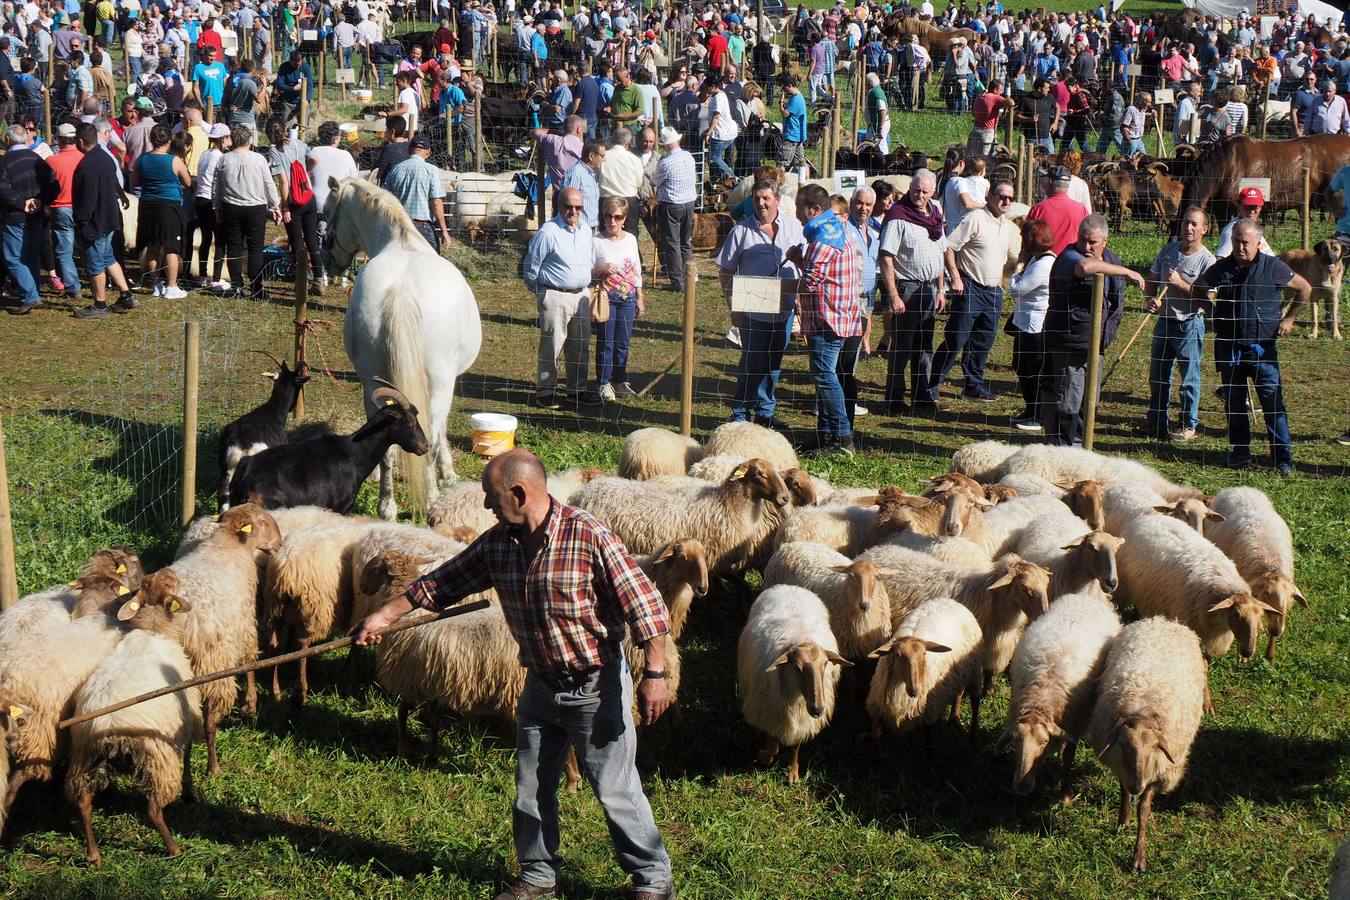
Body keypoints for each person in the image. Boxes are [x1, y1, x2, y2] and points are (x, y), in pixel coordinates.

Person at [353, 447, 675, 900]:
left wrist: (655, 674)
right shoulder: (498, 542)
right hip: (540, 684)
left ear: (519, 493)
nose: (486, 505)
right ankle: (539, 874)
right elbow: (441, 583)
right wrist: (385, 616)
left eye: (490, 495)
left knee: (614, 789)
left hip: (594, 685)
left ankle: (653, 880)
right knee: (531, 786)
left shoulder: (589, 536)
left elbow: (646, 606)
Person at [1190, 219, 1310, 474]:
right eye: (1236, 241)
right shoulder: (1221, 268)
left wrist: (1289, 318)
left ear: (1258, 242)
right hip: (1229, 347)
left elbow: (1304, 288)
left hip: (1262, 350)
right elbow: (1198, 288)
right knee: (1234, 404)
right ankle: (1240, 452)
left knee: (1272, 402)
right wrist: (1210, 309)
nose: (1240, 246)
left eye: (1245, 242)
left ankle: (1282, 458)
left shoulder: (1273, 267)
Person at [1040, 214, 1145, 445]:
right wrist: (1127, 271)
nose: (1086, 246)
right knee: (1068, 400)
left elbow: (1115, 301)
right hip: (1070, 345)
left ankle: (1081, 447)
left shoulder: (1111, 260)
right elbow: (1085, 267)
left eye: (1092, 242)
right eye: (1082, 240)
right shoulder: (1069, 257)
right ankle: (1062, 449)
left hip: (1096, 345)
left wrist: (1111, 329)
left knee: (1090, 401)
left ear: (1105, 241)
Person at [716, 177, 803, 431]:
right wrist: (732, 304)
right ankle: (740, 412)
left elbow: (805, 262)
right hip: (752, 309)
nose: (761, 203)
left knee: (774, 362)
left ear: (777, 200)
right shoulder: (740, 231)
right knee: (751, 361)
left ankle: (765, 412)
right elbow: (726, 271)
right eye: (757, 198)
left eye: (766, 198)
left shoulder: (793, 227)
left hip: (784, 309)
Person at [929, 180, 1021, 403]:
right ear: (990, 196)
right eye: (1001, 196)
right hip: (970, 287)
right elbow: (949, 246)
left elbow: (1009, 258)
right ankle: (931, 383)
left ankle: (974, 385)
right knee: (956, 339)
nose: (1006, 201)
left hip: (993, 292)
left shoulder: (1007, 226)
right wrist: (956, 276)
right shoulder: (975, 218)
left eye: (1010, 197)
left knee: (983, 340)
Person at [789, 182, 862, 455]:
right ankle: (825, 435)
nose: (797, 213)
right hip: (840, 316)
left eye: (800, 208)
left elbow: (810, 282)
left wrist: (782, 287)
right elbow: (821, 275)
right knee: (825, 376)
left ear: (815, 209)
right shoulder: (835, 231)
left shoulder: (821, 239)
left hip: (826, 318)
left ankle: (841, 437)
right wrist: (801, 261)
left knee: (824, 376)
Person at [1139, 205, 1215, 442]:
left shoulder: (1208, 261)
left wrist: (1181, 283)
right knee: (1158, 375)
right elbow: (1152, 279)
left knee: (1189, 379)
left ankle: (1188, 424)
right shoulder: (1168, 250)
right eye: (1185, 223)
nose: (1189, 228)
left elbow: (1208, 302)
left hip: (1189, 325)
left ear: (1204, 229)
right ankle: (1156, 422)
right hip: (1164, 322)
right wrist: (1150, 298)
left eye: (1194, 224)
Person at [523, 186, 601, 409]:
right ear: (559, 206)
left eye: (578, 207)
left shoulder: (586, 230)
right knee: (552, 344)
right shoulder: (548, 232)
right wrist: (542, 294)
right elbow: (531, 266)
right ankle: (546, 391)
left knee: (580, 345)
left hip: (581, 295)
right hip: (555, 295)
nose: (573, 211)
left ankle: (577, 390)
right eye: (569, 206)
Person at [878, 168, 946, 414]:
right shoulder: (898, 216)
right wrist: (894, 294)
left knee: (924, 346)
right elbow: (886, 256)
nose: (919, 195)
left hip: (929, 290)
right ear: (910, 189)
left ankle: (921, 396)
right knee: (902, 347)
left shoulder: (935, 214)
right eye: (916, 190)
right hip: (907, 288)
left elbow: (940, 251)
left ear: (933, 192)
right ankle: (895, 399)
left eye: (924, 192)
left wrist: (941, 288)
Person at [71, 121, 135, 318]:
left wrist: (81, 220)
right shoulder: (105, 156)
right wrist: (122, 196)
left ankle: (99, 305)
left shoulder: (87, 166)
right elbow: (114, 181)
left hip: (95, 222)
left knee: (95, 263)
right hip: (110, 217)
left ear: (80, 142)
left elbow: (87, 200)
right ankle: (126, 296)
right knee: (108, 257)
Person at [213, 123, 281, 299]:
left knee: (234, 248)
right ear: (249, 140)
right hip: (255, 208)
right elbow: (268, 184)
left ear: (233, 140)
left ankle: (237, 286)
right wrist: (275, 206)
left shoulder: (224, 159)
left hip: (231, 206)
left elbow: (216, 186)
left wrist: (217, 207)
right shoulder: (258, 159)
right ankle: (256, 286)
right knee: (255, 248)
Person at [591, 197, 644, 402]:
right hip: (606, 298)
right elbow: (587, 272)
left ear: (624, 219)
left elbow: (637, 270)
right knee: (606, 341)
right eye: (608, 216)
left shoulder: (630, 239)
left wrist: (640, 297)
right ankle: (604, 382)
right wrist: (600, 270)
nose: (612, 221)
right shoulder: (597, 241)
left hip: (628, 297)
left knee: (623, 341)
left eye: (617, 217)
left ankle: (620, 380)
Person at [0, 123, 54, 315]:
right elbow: (53, 184)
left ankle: (30, 295)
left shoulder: (4, 162)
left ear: (7, 140)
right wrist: (40, 201)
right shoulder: (37, 158)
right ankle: (32, 293)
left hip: (14, 217)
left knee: (12, 257)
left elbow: (3, 189)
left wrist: (22, 203)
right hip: (37, 215)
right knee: (31, 255)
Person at [133, 123, 191, 298]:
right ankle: (172, 286)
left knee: (153, 246)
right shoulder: (174, 160)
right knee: (171, 247)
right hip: (168, 207)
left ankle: (156, 283)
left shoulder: (141, 160)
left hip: (148, 205)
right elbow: (188, 182)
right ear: (169, 140)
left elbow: (136, 181)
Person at [1007, 218, 1055, 430]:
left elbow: (1016, 290)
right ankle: (1030, 409)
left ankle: (1038, 414)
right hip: (1025, 323)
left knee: (1031, 369)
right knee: (1022, 367)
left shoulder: (1043, 265)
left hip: (1034, 326)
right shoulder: (1037, 260)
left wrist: (1017, 270)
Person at [267, 116, 325, 290]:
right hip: (309, 197)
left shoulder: (275, 151)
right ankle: (319, 280)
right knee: (312, 240)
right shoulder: (297, 143)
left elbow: (284, 182)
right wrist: (305, 172)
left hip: (294, 202)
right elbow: (315, 159)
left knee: (297, 242)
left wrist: (285, 208)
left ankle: (301, 280)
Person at [383, 134, 451, 250]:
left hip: (398, 226)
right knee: (431, 262)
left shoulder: (395, 169)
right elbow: (436, 203)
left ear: (409, 149)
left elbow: (385, 198)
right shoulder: (431, 170)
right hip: (421, 226)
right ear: (428, 152)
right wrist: (444, 231)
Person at [651, 126, 696, 293]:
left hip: (671, 204)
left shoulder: (665, 162)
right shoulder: (689, 156)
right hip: (689, 202)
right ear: (677, 140)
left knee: (672, 244)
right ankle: (689, 276)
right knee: (685, 242)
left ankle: (678, 282)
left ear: (664, 144)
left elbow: (655, 181)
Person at [308, 119, 360, 257]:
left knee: (317, 238)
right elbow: (355, 181)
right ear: (336, 139)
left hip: (315, 204)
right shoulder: (345, 155)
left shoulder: (313, 152)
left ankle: (319, 271)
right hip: (336, 205)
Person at [193, 122, 230, 290]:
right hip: (211, 200)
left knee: (206, 238)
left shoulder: (205, 154)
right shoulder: (219, 157)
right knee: (220, 239)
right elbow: (218, 181)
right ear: (222, 139)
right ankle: (216, 278)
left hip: (199, 198)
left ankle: (202, 274)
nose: (230, 141)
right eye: (228, 137)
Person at [1027, 166, 1088, 253]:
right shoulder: (1082, 210)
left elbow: (1028, 239)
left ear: (1049, 182)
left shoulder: (1038, 209)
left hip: (1045, 261)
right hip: (1071, 261)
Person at [598, 128, 644, 237]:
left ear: (612, 140)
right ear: (628, 143)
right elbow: (638, 183)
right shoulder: (635, 160)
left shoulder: (602, 157)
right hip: (628, 201)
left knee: (606, 236)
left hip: (607, 200)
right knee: (630, 236)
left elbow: (597, 178)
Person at [1215, 186, 1273, 258]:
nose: (1252, 211)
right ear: (1239, 206)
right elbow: (1220, 258)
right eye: (1247, 206)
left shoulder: (1250, 225)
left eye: (1255, 207)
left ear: (1260, 207)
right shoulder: (1233, 230)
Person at [535, 114, 584, 197]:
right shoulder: (583, 147)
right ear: (579, 130)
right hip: (578, 194)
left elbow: (534, 132)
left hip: (559, 194)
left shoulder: (554, 141)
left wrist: (555, 132)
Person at [561, 139, 604, 230]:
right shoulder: (576, 174)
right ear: (591, 156)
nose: (604, 160)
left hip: (588, 227)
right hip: (577, 228)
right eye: (602, 156)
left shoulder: (590, 174)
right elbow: (568, 203)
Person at [703, 75, 739, 182]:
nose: (706, 89)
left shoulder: (718, 98)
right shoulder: (722, 95)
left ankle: (732, 176)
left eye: (707, 87)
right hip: (728, 131)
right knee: (717, 157)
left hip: (721, 133)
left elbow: (716, 117)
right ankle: (721, 179)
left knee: (714, 157)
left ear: (713, 86)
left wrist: (708, 133)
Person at [968, 78, 1014, 157]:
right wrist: (1006, 107)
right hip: (987, 133)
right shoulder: (995, 97)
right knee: (986, 159)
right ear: (995, 89)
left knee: (973, 158)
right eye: (1001, 90)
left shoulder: (980, 96)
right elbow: (1011, 102)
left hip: (975, 130)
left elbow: (973, 112)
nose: (1002, 93)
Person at [1017, 77, 1058, 154]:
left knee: (1051, 159)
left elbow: (1057, 107)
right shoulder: (1026, 99)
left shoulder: (1049, 97)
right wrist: (1030, 119)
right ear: (1039, 89)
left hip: (1046, 136)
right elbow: (1017, 116)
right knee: (1031, 161)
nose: (1048, 90)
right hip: (1031, 138)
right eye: (1046, 88)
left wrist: (1055, 123)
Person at [777, 73, 808, 172]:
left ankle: (777, 184)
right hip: (798, 136)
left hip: (791, 137)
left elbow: (785, 114)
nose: (783, 90)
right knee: (800, 163)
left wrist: (781, 102)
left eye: (784, 88)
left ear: (789, 85)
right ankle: (803, 182)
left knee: (781, 164)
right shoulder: (798, 97)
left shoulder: (795, 99)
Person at [191, 44, 227, 115]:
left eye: (214, 56)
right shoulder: (198, 68)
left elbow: (225, 84)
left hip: (222, 103)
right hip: (207, 105)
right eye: (210, 55)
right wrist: (201, 105)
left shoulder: (220, 66)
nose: (212, 58)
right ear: (204, 55)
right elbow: (195, 88)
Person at [375, 114, 411, 186]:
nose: (385, 132)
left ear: (392, 131)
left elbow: (378, 171)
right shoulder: (410, 146)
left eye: (386, 129)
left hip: (391, 188)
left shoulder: (389, 148)